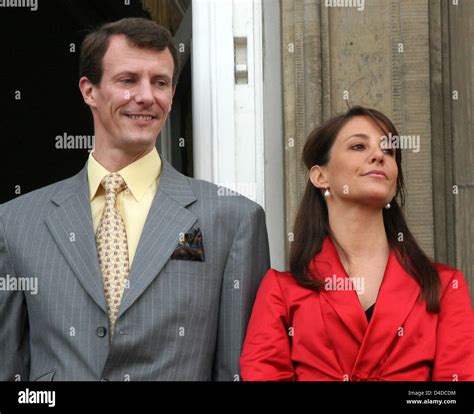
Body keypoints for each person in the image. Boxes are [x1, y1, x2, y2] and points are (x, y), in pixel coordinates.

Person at [0, 17, 270, 381]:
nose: (146, 96)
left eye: (160, 82)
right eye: (128, 80)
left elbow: (237, 370)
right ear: (89, 91)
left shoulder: (234, 219)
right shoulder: (16, 223)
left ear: (172, 95)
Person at [240, 106, 473, 381]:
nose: (378, 155)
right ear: (320, 176)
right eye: (359, 146)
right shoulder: (281, 291)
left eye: (389, 151)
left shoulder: (445, 287)